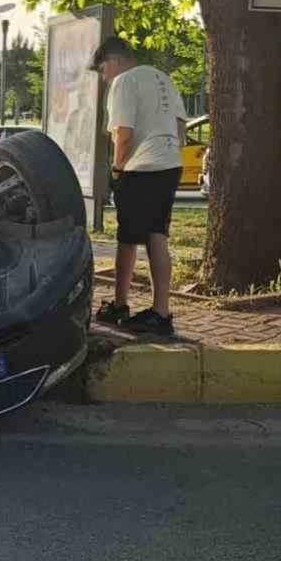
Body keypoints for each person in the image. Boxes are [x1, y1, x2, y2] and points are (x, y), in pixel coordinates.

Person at [90, 37, 185, 336]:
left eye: (103, 70)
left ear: (113, 61)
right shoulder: (164, 79)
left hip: (140, 167)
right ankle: (158, 310)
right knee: (155, 234)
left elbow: (124, 132)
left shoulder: (124, 82)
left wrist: (117, 170)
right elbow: (181, 129)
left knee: (130, 237)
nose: (104, 78)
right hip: (170, 163)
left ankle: (130, 306)